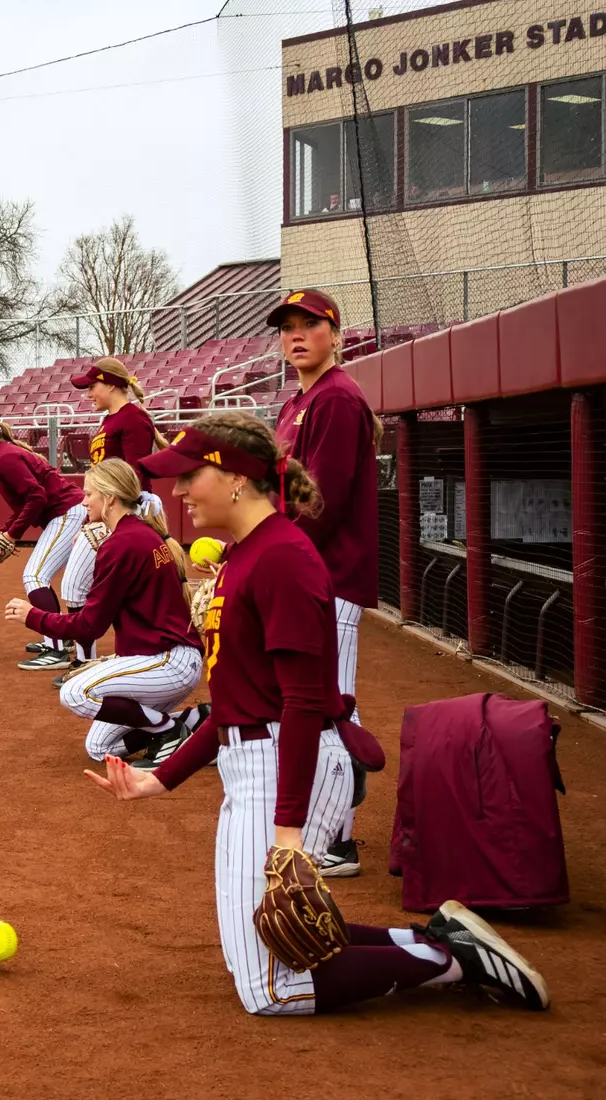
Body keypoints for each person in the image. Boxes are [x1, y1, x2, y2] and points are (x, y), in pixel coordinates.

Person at [85, 412, 549, 1016]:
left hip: (289, 761)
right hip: (254, 759)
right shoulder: (247, 555)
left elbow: (304, 701)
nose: (175, 491)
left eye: (188, 476)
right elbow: (232, 708)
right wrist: (160, 777)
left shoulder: (281, 556)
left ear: (235, 480)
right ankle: (434, 942)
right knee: (253, 951)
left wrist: (288, 828)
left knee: (271, 990)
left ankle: (453, 962)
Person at [266, 289, 380, 878]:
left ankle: (337, 839)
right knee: (310, 699)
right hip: (308, 573)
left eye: (310, 323)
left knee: (329, 704)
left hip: (330, 576)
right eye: (288, 327)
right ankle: (325, 821)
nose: (297, 334)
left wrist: (272, 557)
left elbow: (322, 504)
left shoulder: (337, 398)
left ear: (335, 334)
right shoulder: (297, 401)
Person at [4, 458, 205, 765]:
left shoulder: (123, 542)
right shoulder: (140, 532)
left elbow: (89, 627)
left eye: (89, 494)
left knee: (74, 692)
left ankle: (170, 731)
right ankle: (194, 723)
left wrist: (33, 616)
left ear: (109, 497)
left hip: (166, 663)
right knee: (99, 748)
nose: (83, 501)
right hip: (167, 658)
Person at [60, 358, 171, 668]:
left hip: (123, 508)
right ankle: (85, 660)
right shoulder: (111, 419)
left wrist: (117, 514)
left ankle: (86, 663)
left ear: (110, 384)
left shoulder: (132, 418)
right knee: (75, 586)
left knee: (78, 586)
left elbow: (135, 473)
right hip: (106, 509)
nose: (88, 393)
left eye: (92, 386)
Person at [0, 413, 89, 672]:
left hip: (68, 512)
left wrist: (12, 535)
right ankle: (61, 636)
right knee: (38, 575)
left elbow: (37, 497)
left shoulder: (5, 458)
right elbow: (25, 504)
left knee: (35, 576)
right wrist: (4, 531)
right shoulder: (1, 457)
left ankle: (58, 649)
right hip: (65, 513)